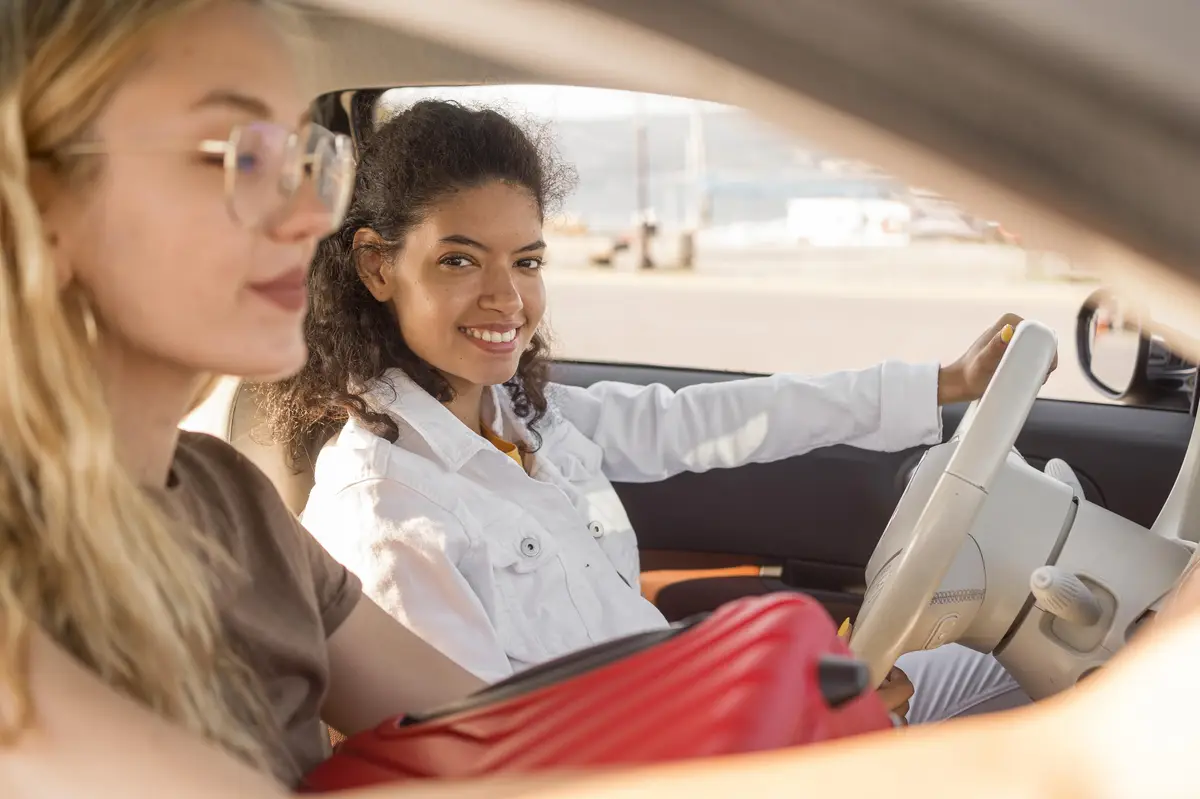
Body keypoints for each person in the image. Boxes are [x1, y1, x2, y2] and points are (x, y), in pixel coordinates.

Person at [264, 99, 1038, 723]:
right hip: (679, 757)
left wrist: (939, 383)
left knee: (1014, 658)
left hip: (697, 715)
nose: (507, 298)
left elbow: (717, 417)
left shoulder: (523, 416)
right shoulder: (387, 512)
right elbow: (496, 760)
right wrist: (789, 722)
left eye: (527, 261)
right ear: (376, 264)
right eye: (459, 260)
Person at [0, 2, 531, 796]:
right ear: (36, 205)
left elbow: (499, 737)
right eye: (237, 156)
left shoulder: (230, 497)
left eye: (306, 158)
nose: (313, 214)